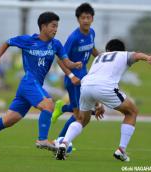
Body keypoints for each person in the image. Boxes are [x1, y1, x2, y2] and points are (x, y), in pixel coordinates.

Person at [0, 11, 83, 155]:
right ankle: (42, 139)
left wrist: (74, 65)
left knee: (9, 120)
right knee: (48, 104)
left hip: (33, 86)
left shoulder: (56, 44)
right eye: (53, 26)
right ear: (43, 26)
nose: (56, 29)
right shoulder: (28, 40)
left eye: (57, 26)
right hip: (29, 81)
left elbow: (65, 62)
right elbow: (7, 42)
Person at [55, 39, 151, 161]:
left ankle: (64, 143)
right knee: (132, 112)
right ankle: (121, 150)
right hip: (105, 87)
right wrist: (147, 58)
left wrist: (98, 105)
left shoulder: (100, 57)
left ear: (108, 50)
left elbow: (95, 83)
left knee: (82, 119)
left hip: (86, 85)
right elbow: (137, 55)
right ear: (122, 50)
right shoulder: (123, 54)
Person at [51, 3, 99, 138]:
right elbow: (60, 59)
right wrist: (71, 76)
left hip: (85, 77)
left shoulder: (92, 33)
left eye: (88, 17)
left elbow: (92, 49)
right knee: (80, 116)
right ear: (78, 19)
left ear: (92, 18)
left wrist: (103, 58)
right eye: (82, 18)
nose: (85, 20)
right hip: (74, 80)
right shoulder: (74, 38)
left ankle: (62, 108)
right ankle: (61, 141)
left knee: (86, 113)